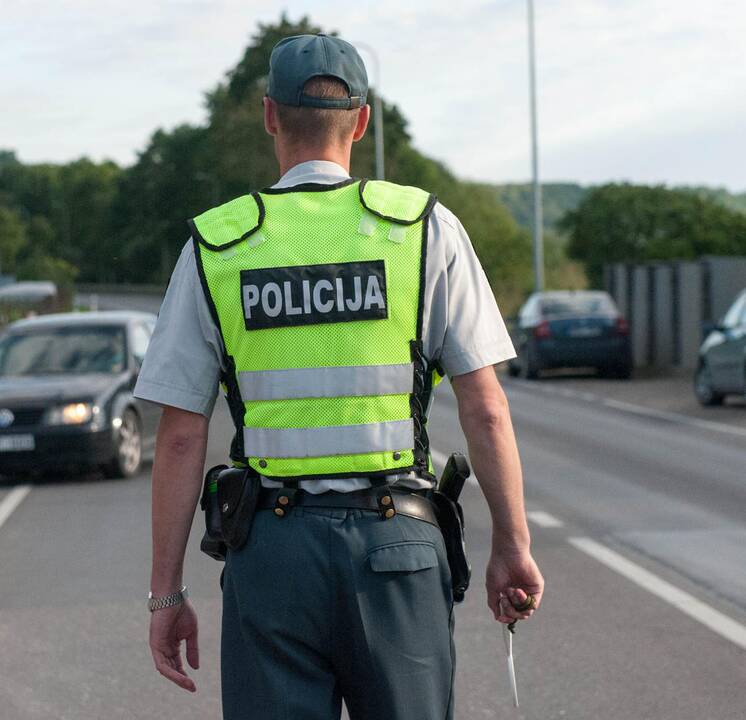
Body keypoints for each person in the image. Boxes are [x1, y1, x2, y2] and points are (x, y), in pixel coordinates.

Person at [135, 33, 544, 720]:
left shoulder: (217, 246)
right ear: (360, 121)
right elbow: (487, 410)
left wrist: (167, 595)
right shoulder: (424, 230)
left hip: (273, 557)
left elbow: (179, 439)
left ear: (270, 117)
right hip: (399, 553)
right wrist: (512, 543)